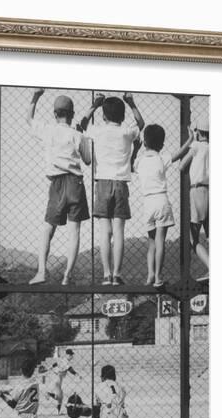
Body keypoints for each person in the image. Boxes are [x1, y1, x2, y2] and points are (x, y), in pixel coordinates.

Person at [27, 88, 92, 286]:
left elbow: (29, 119)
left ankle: (41, 271)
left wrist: (35, 97)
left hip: (56, 184)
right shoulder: (77, 135)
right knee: (75, 231)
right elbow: (88, 160)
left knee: (48, 228)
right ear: (72, 115)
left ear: (55, 114)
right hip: (76, 183)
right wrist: (83, 138)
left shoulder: (47, 130)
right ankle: (67, 275)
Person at [80, 93, 145, 285]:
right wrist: (132, 103)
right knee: (118, 231)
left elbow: (82, 124)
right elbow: (141, 123)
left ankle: (106, 274)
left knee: (104, 231)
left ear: (104, 116)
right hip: (121, 183)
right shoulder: (126, 132)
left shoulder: (97, 131)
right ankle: (117, 274)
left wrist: (94, 104)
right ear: (123, 116)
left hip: (102, 183)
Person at [133, 124, 194, 287]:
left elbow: (132, 163)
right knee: (160, 241)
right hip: (161, 200)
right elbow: (179, 154)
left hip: (147, 203)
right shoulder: (162, 158)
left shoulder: (139, 161)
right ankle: (159, 277)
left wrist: (135, 148)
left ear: (144, 142)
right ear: (161, 144)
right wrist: (190, 139)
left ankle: (150, 275)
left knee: (151, 242)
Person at [179, 115, 210, 281]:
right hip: (212, 191)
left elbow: (181, 165)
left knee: (193, 237)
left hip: (197, 191)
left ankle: (211, 266)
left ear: (198, 132)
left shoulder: (196, 146)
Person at [46, 348, 81, 414]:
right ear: (67, 355)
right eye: (71, 355)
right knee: (59, 397)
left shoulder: (62, 359)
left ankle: (58, 412)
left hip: (56, 379)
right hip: (58, 380)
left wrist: (50, 367)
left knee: (60, 397)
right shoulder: (66, 362)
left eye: (72, 355)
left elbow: (56, 363)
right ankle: (49, 394)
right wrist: (77, 374)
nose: (72, 356)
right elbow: (70, 369)